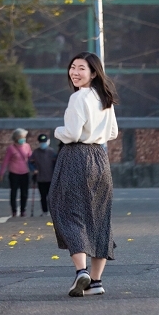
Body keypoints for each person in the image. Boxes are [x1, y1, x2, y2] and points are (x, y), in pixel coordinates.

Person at [48, 52, 119, 298]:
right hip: (100, 159)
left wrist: (58, 131)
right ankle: (96, 282)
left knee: (68, 211)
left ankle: (81, 272)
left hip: (76, 156)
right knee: (99, 218)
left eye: (81, 68)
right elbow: (112, 133)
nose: (75, 72)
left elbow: (73, 132)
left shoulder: (79, 97)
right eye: (72, 67)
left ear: (93, 73)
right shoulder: (104, 98)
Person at [0, 128, 32, 217]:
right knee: (14, 192)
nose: (23, 139)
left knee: (24, 193)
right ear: (17, 138)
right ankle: (14, 210)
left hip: (25, 172)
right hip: (14, 173)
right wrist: (1, 173)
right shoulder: (11, 148)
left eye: (24, 137)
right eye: (22, 137)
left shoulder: (27, 146)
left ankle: (23, 210)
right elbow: (6, 161)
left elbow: (30, 158)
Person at [30, 134, 56, 216]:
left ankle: (52, 212)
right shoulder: (35, 152)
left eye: (44, 142)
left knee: (51, 197)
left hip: (50, 178)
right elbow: (30, 162)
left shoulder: (52, 152)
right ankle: (44, 211)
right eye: (41, 142)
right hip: (40, 178)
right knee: (43, 196)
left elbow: (56, 164)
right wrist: (34, 170)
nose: (43, 144)